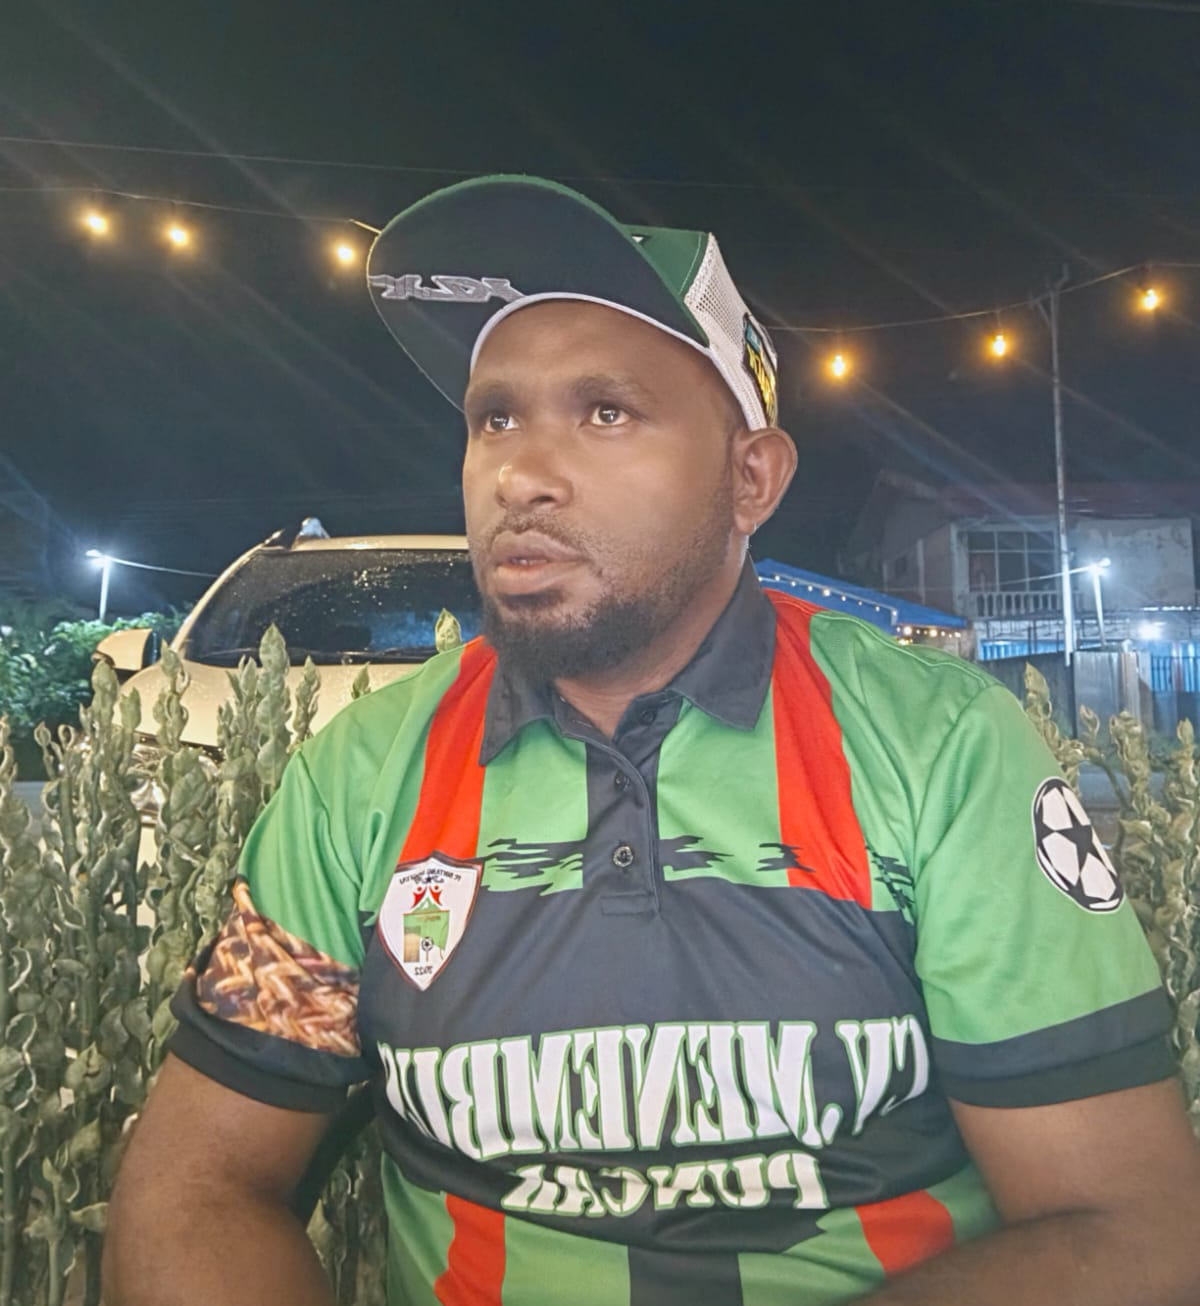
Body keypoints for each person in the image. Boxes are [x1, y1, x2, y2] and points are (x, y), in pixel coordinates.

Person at [103, 176, 1200, 1306]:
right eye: (495, 419)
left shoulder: (941, 747)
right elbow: (200, 1183)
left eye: (606, 412)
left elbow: (1130, 1227)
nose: (521, 475)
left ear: (749, 478)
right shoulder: (361, 776)